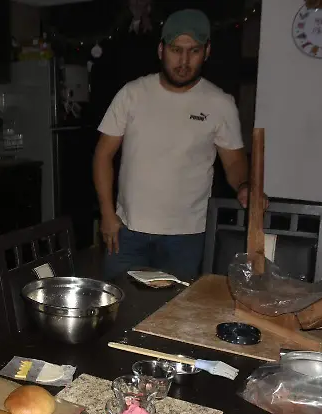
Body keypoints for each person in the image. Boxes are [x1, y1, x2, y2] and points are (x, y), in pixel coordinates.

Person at [93, 9, 261, 281]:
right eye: (176, 50)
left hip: (187, 237)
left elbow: (233, 161)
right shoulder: (132, 94)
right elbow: (103, 154)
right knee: (121, 301)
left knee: (177, 307)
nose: (184, 61)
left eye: (193, 51)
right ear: (161, 50)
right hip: (127, 230)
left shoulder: (220, 103)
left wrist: (244, 185)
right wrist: (107, 214)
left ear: (206, 52)